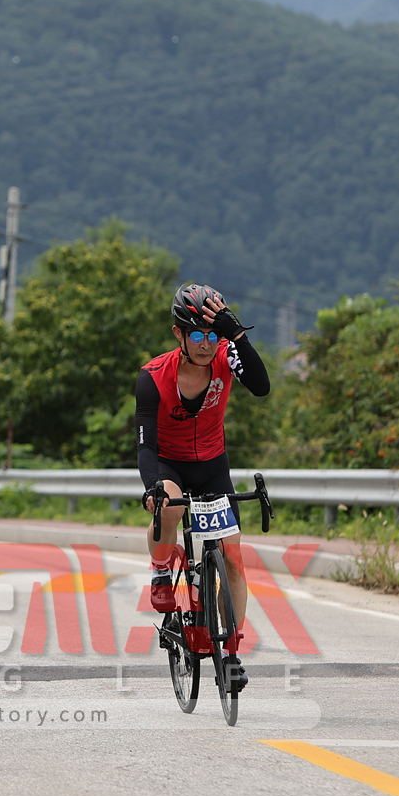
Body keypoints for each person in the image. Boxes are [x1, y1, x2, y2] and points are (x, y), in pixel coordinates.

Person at [135, 284, 271, 690]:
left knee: (233, 558)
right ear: (178, 334)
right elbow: (145, 445)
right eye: (197, 335)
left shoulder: (227, 356)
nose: (206, 344)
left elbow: (261, 386)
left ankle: (230, 654)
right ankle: (162, 568)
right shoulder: (153, 376)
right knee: (171, 505)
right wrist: (153, 487)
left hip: (213, 465)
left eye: (213, 334)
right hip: (168, 463)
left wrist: (237, 335)